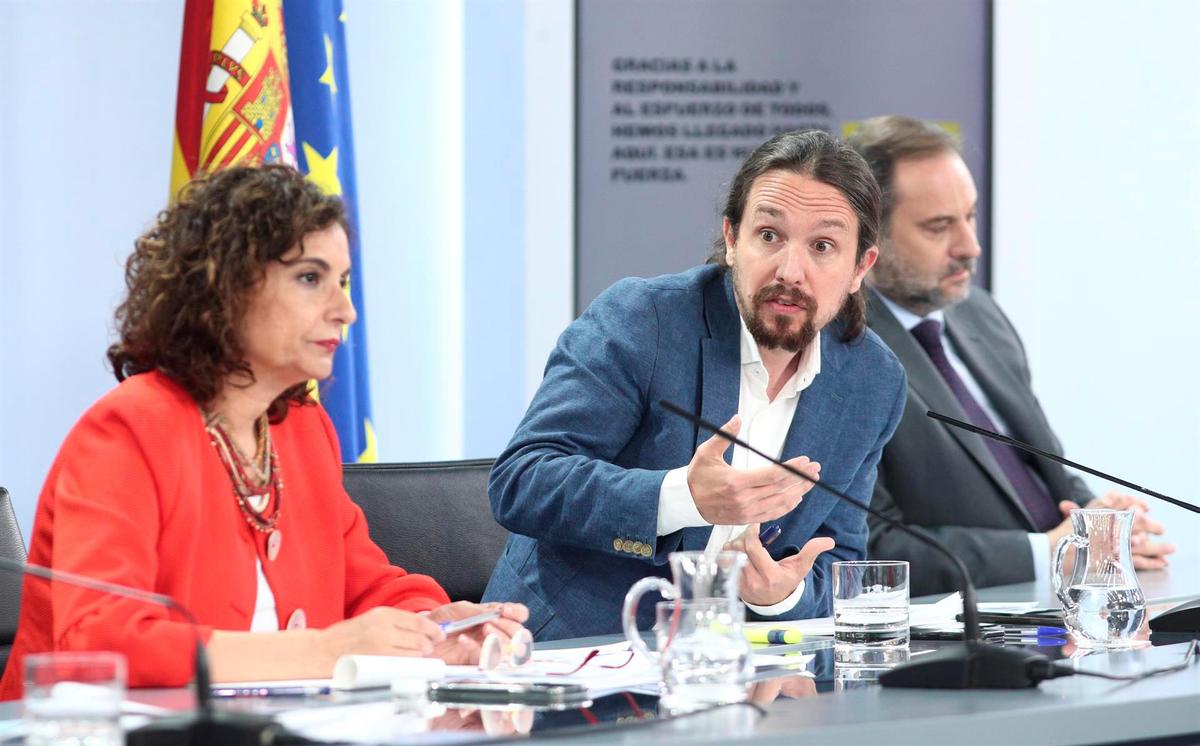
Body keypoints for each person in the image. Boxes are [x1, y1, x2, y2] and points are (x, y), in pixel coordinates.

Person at [0, 165, 526, 698]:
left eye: (342, 282)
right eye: (310, 278)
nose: (345, 310)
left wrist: (435, 626)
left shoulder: (303, 430)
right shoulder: (128, 431)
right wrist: (324, 652)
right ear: (226, 285)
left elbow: (365, 586)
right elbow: (102, 638)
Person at [482, 130, 908, 639]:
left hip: (736, 673)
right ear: (732, 240)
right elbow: (523, 481)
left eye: (823, 246)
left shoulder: (871, 381)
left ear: (861, 266)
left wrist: (782, 595)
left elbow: (837, 560)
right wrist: (681, 496)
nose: (790, 271)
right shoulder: (646, 321)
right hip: (574, 654)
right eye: (769, 236)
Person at [848, 115, 1174, 595]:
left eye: (970, 216)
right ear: (868, 237)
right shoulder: (841, 351)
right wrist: (1051, 554)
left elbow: (1042, 473)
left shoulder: (979, 314)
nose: (970, 247)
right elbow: (868, 546)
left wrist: (1103, 526)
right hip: (959, 634)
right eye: (939, 227)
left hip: (1071, 606)